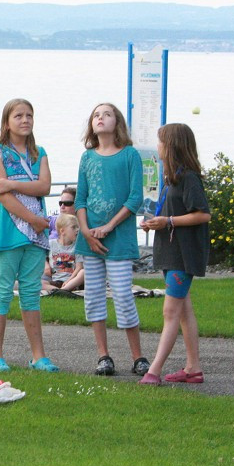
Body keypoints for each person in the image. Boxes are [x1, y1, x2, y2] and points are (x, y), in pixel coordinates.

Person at [0, 98, 59, 373]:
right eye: (18, 116)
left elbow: (45, 186)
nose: (25, 120)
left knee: (31, 292)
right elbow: (1, 194)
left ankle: (39, 355)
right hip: (8, 231)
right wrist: (35, 220)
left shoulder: (39, 153)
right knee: (2, 291)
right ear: (7, 122)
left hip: (35, 236)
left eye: (29, 115)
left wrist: (14, 183)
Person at [75, 102, 149, 376]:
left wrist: (108, 226)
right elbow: (80, 198)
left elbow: (135, 197)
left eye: (107, 114)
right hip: (90, 241)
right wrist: (85, 231)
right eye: (96, 114)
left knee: (122, 294)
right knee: (93, 296)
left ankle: (138, 356)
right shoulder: (87, 158)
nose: (101, 118)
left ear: (117, 122)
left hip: (118, 240)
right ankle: (103, 356)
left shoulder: (130, 155)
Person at [138, 123, 211, 385]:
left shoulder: (188, 178)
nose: (157, 147)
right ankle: (193, 368)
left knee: (170, 312)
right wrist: (157, 221)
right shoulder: (173, 178)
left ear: (172, 146)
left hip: (183, 256)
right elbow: (172, 216)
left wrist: (168, 221)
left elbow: (202, 214)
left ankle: (153, 371)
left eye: (161, 142)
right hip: (171, 253)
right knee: (183, 311)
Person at [43, 214, 85, 292]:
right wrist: (46, 265)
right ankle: (60, 291)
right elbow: (41, 255)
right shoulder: (51, 244)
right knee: (37, 282)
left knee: (83, 272)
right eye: (73, 227)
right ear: (62, 231)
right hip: (56, 281)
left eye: (78, 227)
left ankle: (62, 291)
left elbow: (79, 267)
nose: (77, 230)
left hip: (73, 281)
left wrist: (69, 280)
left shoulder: (77, 246)